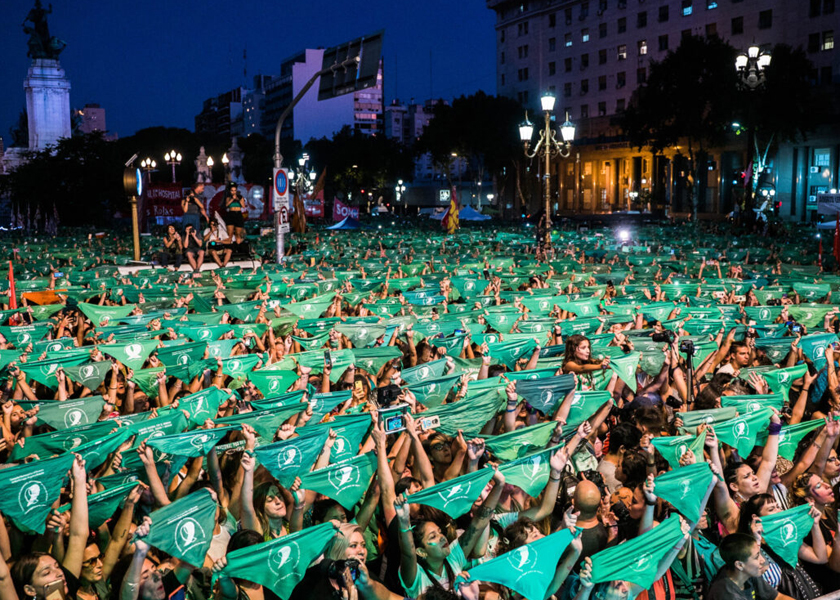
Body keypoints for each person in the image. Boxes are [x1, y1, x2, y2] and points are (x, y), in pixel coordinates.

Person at [707, 533, 796, 600]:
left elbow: (777, 597)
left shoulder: (747, 572)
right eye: (756, 557)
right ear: (739, 565)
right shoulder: (727, 595)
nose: (763, 560)